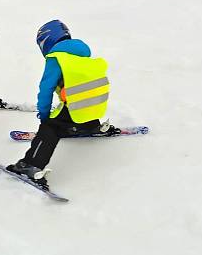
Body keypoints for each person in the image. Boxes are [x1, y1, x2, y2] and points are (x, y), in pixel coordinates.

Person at [7, 20, 119, 187]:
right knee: (78, 107)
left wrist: (44, 114)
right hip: (98, 100)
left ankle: (31, 165)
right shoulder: (83, 53)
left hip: (77, 101)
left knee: (51, 127)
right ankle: (89, 126)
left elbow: (46, 88)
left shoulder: (56, 57)